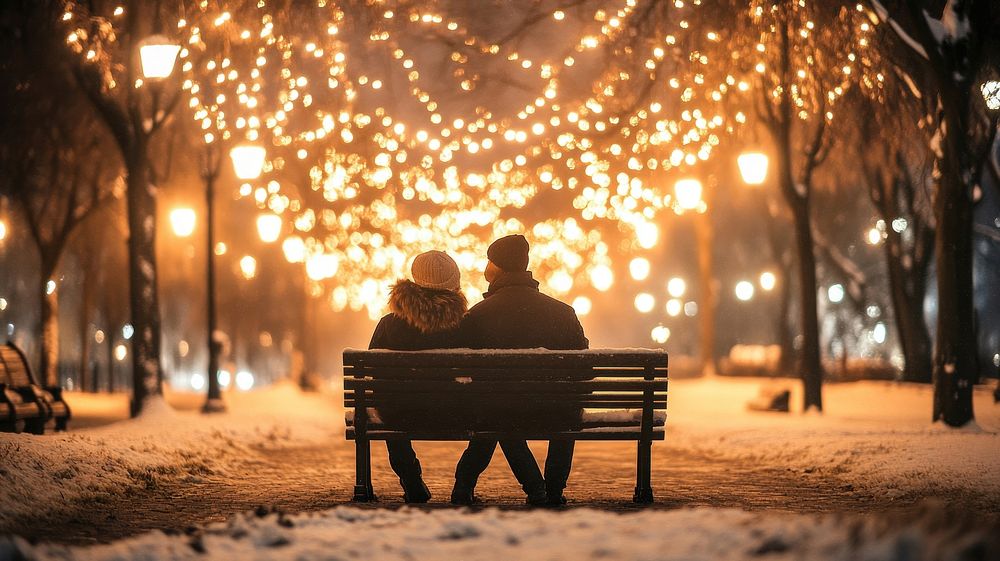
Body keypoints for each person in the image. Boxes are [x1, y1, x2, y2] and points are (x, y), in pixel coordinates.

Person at [452, 234, 589, 506]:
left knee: (498, 412)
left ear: (498, 267)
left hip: (502, 412)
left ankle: (531, 489)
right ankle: (551, 490)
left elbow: (462, 366)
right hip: (556, 410)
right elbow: (583, 370)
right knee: (566, 408)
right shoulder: (563, 313)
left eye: (489, 260)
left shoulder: (478, 315)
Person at [368, 250, 467, 503]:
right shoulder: (465, 326)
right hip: (455, 413)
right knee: (492, 414)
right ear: (453, 283)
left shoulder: (389, 324)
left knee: (389, 407)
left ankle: (411, 479)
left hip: (401, 414)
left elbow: (371, 373)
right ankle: (465, 483)